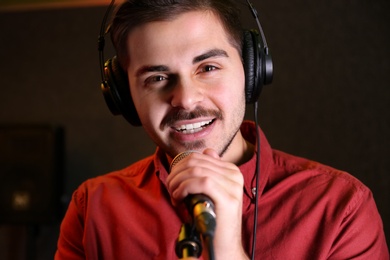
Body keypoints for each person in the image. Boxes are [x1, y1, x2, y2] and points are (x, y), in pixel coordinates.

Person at [55, 0, 389, 259]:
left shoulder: (341, 208)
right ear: (123, 95)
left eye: (208, 67)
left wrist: (228, 251)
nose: (185, 99)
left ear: (251, 70)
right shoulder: (92, 208)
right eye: (157, 78)